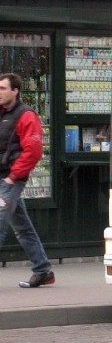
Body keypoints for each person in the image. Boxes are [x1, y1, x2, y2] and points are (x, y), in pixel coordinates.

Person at [0, 73, 54, 288]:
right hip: (4, 178)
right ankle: (43, 270)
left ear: (15, 91)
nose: (0, 92)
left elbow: (33, 151)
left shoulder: (26, 115)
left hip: (10, 180)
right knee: (22, 227)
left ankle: (42, 270)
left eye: (3, 88)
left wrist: (13, 177)